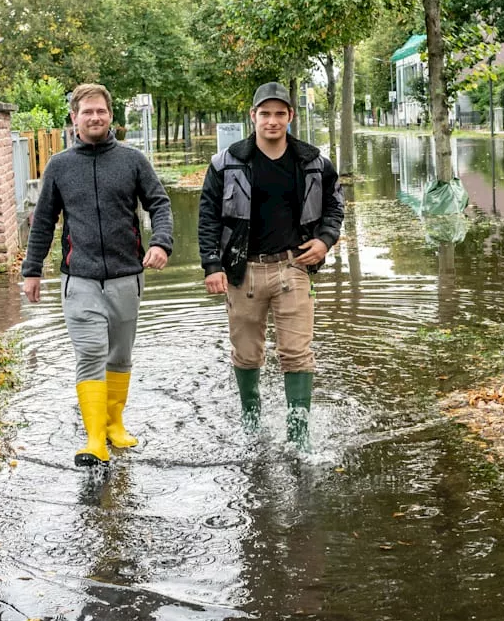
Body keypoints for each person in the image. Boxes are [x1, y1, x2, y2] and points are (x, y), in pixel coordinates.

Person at [22, 83, 173, 467]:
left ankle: (114, 424)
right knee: (90, 353)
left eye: (100, 112)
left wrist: (162, 243)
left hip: (126, 275)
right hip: (80, 279)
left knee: (119, 355)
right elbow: (43, 222)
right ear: (74, 118)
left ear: (110, 117)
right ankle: (93, 440)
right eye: (86, 112)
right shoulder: (59, 166)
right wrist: (32, 270)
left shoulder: (133, 160)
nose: (94, 118)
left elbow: (159, 203)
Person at [197, 82, 344, 449]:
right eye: (266, 114)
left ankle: (299, 435)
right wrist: (212, 264)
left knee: (297, 352)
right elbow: (208, 217)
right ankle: (251, 419)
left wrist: (325, 241)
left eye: (280, 114)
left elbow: (335, 207)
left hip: (293, 268)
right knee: (246, 353)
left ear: (291, 117)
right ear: (253, 117)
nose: (273, 121)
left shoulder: (313, 162)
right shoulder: (226, 162)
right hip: (242, 271)